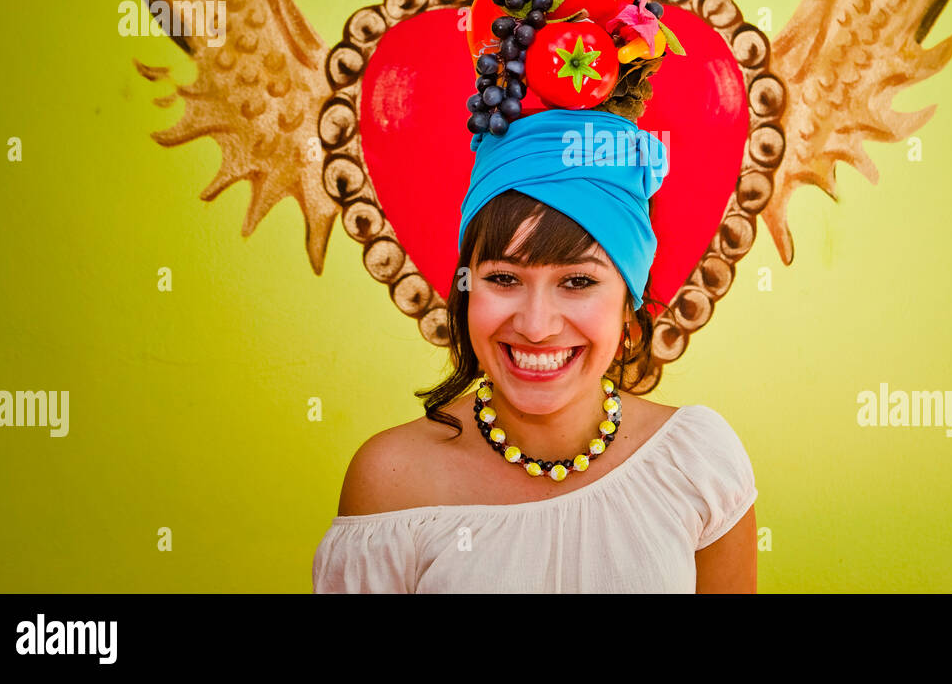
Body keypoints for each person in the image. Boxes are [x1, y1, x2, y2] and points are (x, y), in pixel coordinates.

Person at [312, 88, 757, 593]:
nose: (537, 325)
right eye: (504, 279)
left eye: (578, 282)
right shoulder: (391, 483)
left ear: (628, 301)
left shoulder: (697, 462)